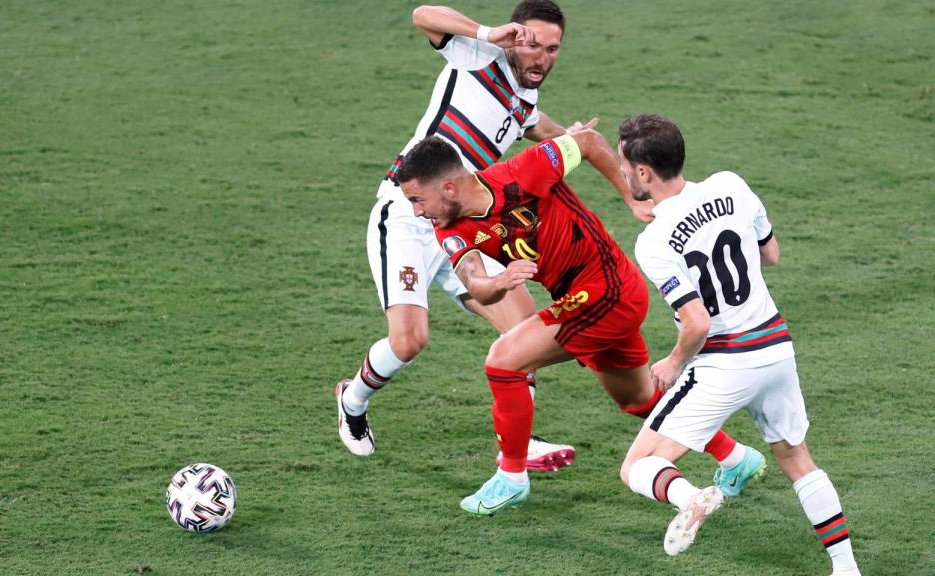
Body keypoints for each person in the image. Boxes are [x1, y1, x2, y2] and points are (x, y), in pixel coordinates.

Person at [335, 0, 650, 470]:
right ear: (514, 37)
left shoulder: (525, 102)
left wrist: (588, 147)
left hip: (470, 229)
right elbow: (422, 14)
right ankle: (352, 400)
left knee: (524, 334)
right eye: (531, 44)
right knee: (409, 341)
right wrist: (487, 32)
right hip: (409, 216)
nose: (540, 57)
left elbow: (552, 134)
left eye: (552, 48)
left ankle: (519, 446)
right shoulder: (475, 56)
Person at [397, 119, 760, 515]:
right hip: (586, 300)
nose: (417, 212)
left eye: (418, 200)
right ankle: (736, 458)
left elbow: (586, 142)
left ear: (448, 187)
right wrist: (500, 281)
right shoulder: (449, 226)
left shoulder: (523, 171)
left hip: (608, 289)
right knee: (639, 398)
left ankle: (512, 476)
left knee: (503, 361)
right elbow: (475, 281)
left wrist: (631, 197)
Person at [616, 114, 861, 575]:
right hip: (775, 348)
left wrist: (671, 363)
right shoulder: (732, 185)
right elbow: (771, 253)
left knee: (637, 467)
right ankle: (845, 567)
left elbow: (697, 323)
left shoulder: (654, 242)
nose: (623, 174)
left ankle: (692, 499)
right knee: (797, 459)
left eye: (625, 166)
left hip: (724, 363)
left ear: (644, 172)